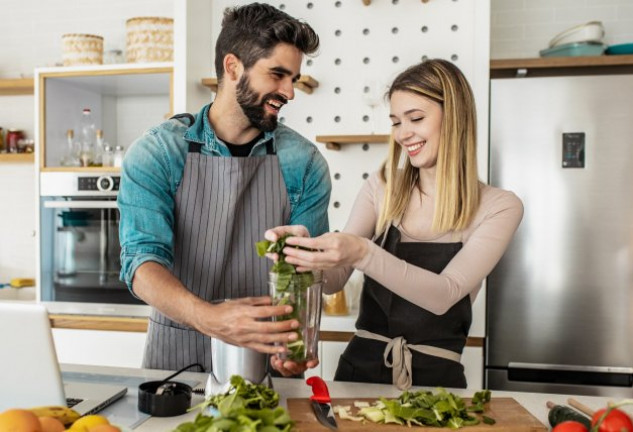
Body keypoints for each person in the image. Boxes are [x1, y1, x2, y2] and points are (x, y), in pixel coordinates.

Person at [265, 59, 523, 389]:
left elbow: (444, 295)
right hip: (357, 375)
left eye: (416, 118)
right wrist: (305, 252)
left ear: (455, 117)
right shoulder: (381, 187)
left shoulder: (498, 207)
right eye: (396, 122)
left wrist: (361, 252)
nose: (403, 134)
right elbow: (334, 281)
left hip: (436, 386)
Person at [118, 3, 331, 376]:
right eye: (278, 75)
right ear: (233, 67)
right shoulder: (158, 153)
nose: (289, 92)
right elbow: (141, 264)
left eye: (293, 79)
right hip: (175, 366)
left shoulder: (305, 164)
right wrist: (212, 319)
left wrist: (295, 345)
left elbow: (303, 274)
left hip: (265, 364)